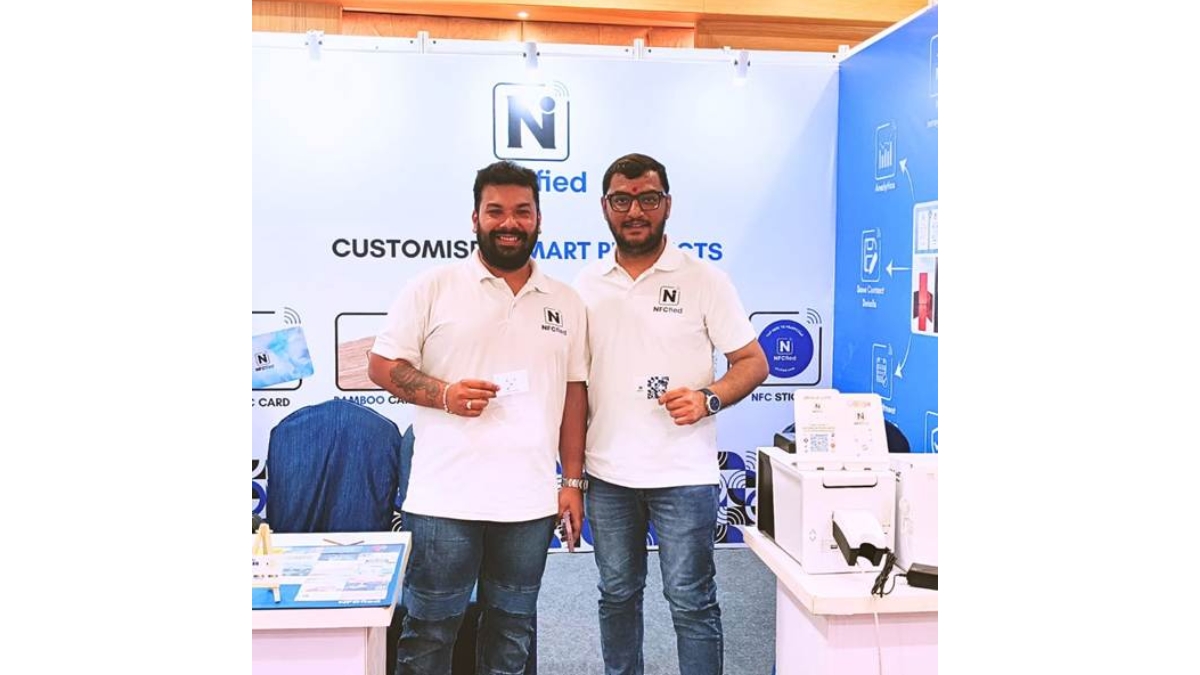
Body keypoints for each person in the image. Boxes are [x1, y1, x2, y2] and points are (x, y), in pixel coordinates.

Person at [368, 160, 588, 675]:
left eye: (522, 211)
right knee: (430, 630)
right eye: (496, 211)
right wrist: (444, 394)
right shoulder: (432, 287)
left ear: (538, 219)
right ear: (475, 218)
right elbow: (382, 365)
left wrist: (572, 481)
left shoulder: (567, 301)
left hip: (528, 502)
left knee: (512, 631)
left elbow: (574, 393)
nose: (509, 223)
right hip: (444, 499)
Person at [574, 153, 768, 675]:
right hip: (608, 474)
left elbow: (753, 362)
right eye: (622, 200)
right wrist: (571, 474)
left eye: (648, 198)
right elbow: (573, 383)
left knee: (691, 601)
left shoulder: (705, 279)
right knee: (617, 595)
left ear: (667, 205)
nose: (635, 211)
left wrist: (709, 397)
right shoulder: (585, 285)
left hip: (684, 473)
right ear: (605, 207)